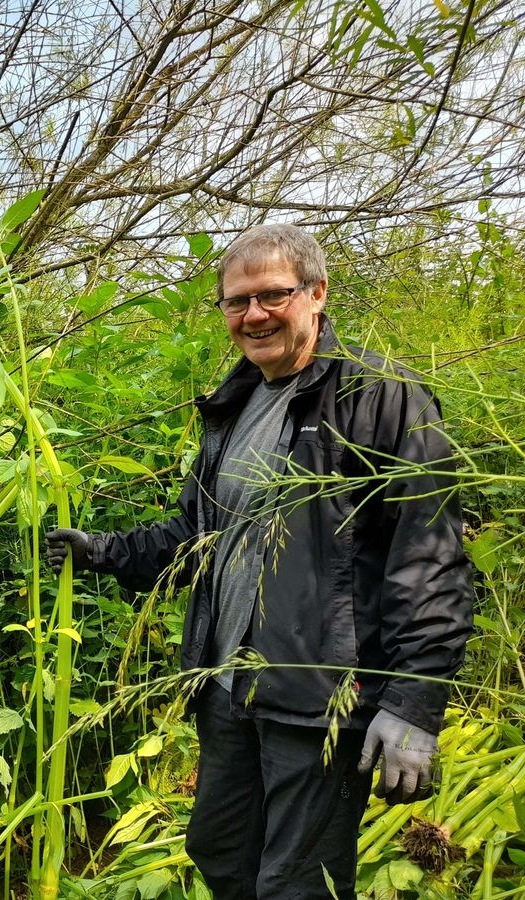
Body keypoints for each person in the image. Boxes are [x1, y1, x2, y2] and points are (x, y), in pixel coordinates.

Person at [45, 224, 472, 899]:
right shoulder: (236, 402)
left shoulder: (381, 397)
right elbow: (198, 534)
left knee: (296, 885)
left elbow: (429, 559)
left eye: (273, 296)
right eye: (237, 302)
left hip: (320, 696)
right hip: (227, 688)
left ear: (317, 294)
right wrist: (101, 552)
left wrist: (414, 704)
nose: (254, 316)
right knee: (218, 852)